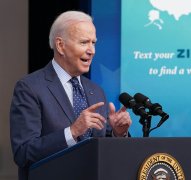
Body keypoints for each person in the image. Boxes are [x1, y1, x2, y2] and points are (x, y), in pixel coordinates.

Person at [10, 10, 132, 180]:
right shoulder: (30, 88)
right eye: (84, 42)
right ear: (60, 46)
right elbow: (23, 153)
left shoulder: (96, 91)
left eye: (93, 43)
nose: (92, 50)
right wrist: (72, 132)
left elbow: (105, 149)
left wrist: (118, 134)